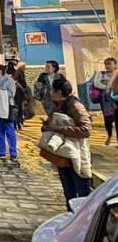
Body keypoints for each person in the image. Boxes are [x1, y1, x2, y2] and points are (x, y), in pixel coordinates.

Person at [41, 78, 92, 209]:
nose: (50, 92)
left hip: (76, 153)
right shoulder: (58, 105)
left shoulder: (75, 106)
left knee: (82, 192)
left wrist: (59, 129)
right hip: (62, 155)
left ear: (58, 92)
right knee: (69, 192)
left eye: (52, 90)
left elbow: (85, 130)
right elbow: (50, 123)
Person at [91, 57, 117, 145]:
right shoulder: (100, 74)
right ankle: (109, 135)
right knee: (108, 119)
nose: (107, 66)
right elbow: (96, 83)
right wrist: (109, 86)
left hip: (116, 99)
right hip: (105, 101)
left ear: (115, 64)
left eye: (109, 63)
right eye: (106, 64)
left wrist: (107, 85)